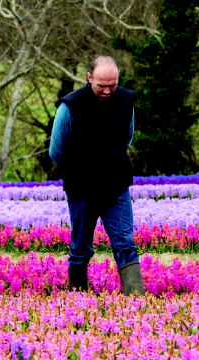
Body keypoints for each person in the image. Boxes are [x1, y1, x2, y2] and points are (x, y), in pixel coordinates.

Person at [49, 56, 144, 295]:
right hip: (82, 189)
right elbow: (56, 150)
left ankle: (136, 299)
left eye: (112, 84)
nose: (108, 90)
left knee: (125, 244)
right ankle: (78, 297)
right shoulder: (70, 106)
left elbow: (127, 139)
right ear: (89, 77)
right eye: (102, 85)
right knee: (81, 247)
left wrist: (110, 166)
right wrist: (81, 172)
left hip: (116, 186)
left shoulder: (126, 101)